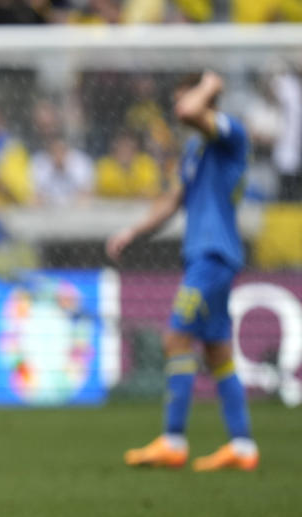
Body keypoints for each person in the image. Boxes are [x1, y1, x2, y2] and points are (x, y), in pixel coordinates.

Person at [106, 71, 258, 472]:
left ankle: (173, 439)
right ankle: (242, 446)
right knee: (217, 350)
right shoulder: (194, 151)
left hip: (214, 254)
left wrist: (209, 85)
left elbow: (191, 108)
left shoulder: (231, 135)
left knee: (176, 336)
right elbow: (172, 201)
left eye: (184, 102)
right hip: (202, 256)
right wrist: (133, 232)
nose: (179, 112)